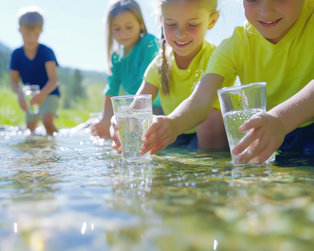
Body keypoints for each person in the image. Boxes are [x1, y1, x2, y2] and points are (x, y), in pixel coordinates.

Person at [132, 0, 313, 163]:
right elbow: (201, 100)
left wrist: (281, 120)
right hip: (270, 138)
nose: (265, 11)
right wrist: (173, 124)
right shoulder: (236, 45)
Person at [130, 0, 234, 150]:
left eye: (192, 25)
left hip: (210, 135)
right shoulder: (160, 63)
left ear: (212, 21)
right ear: (161, 20)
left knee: (210, 121)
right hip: (174, 135)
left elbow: (201, 104)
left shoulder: (217, 57)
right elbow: (138, 105)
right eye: (171, 24)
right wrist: (122, 123)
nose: (180, 34)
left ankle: (209, 167)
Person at [90, 0, 161, 139]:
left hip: (155, 109)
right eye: (117, 29)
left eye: (129, 27)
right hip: (132, 110)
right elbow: (111, 90)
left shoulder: (149, 43)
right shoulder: (116, 57)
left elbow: (147, 85)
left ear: (140, 24)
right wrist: (104, 121)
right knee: (92, 127)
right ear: (110, 30)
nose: (123, 33)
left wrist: (126, 118)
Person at [10, 6, 60, 135]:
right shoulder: (16, 54)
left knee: (47, 121)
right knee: (31, 127)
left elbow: (54, 80)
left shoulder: (46, 52)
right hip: (30, 95)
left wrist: (42, 94)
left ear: (41, 31)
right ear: (19, 31)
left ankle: (55, 145)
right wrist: (20, 94)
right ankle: (35, 151)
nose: (31, 38)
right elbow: (14, 82)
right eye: (27, 34)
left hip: (49, 92)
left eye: (36, 34)